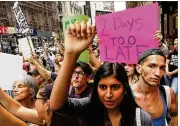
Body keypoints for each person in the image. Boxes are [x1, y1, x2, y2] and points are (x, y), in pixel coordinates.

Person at [50, 21, 152, 125]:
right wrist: (71, 54)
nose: (108, 94)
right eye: (103, 87)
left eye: (115, 87)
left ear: (125, 89)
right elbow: (56, 105)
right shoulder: (88, 108)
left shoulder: (141, 119)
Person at [130, 49, 178, 126]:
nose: (158, 73)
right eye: (151, 66)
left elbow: (175, 115)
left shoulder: (168, 93)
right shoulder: (125, 94)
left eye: (162, 68)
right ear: (139, 68)